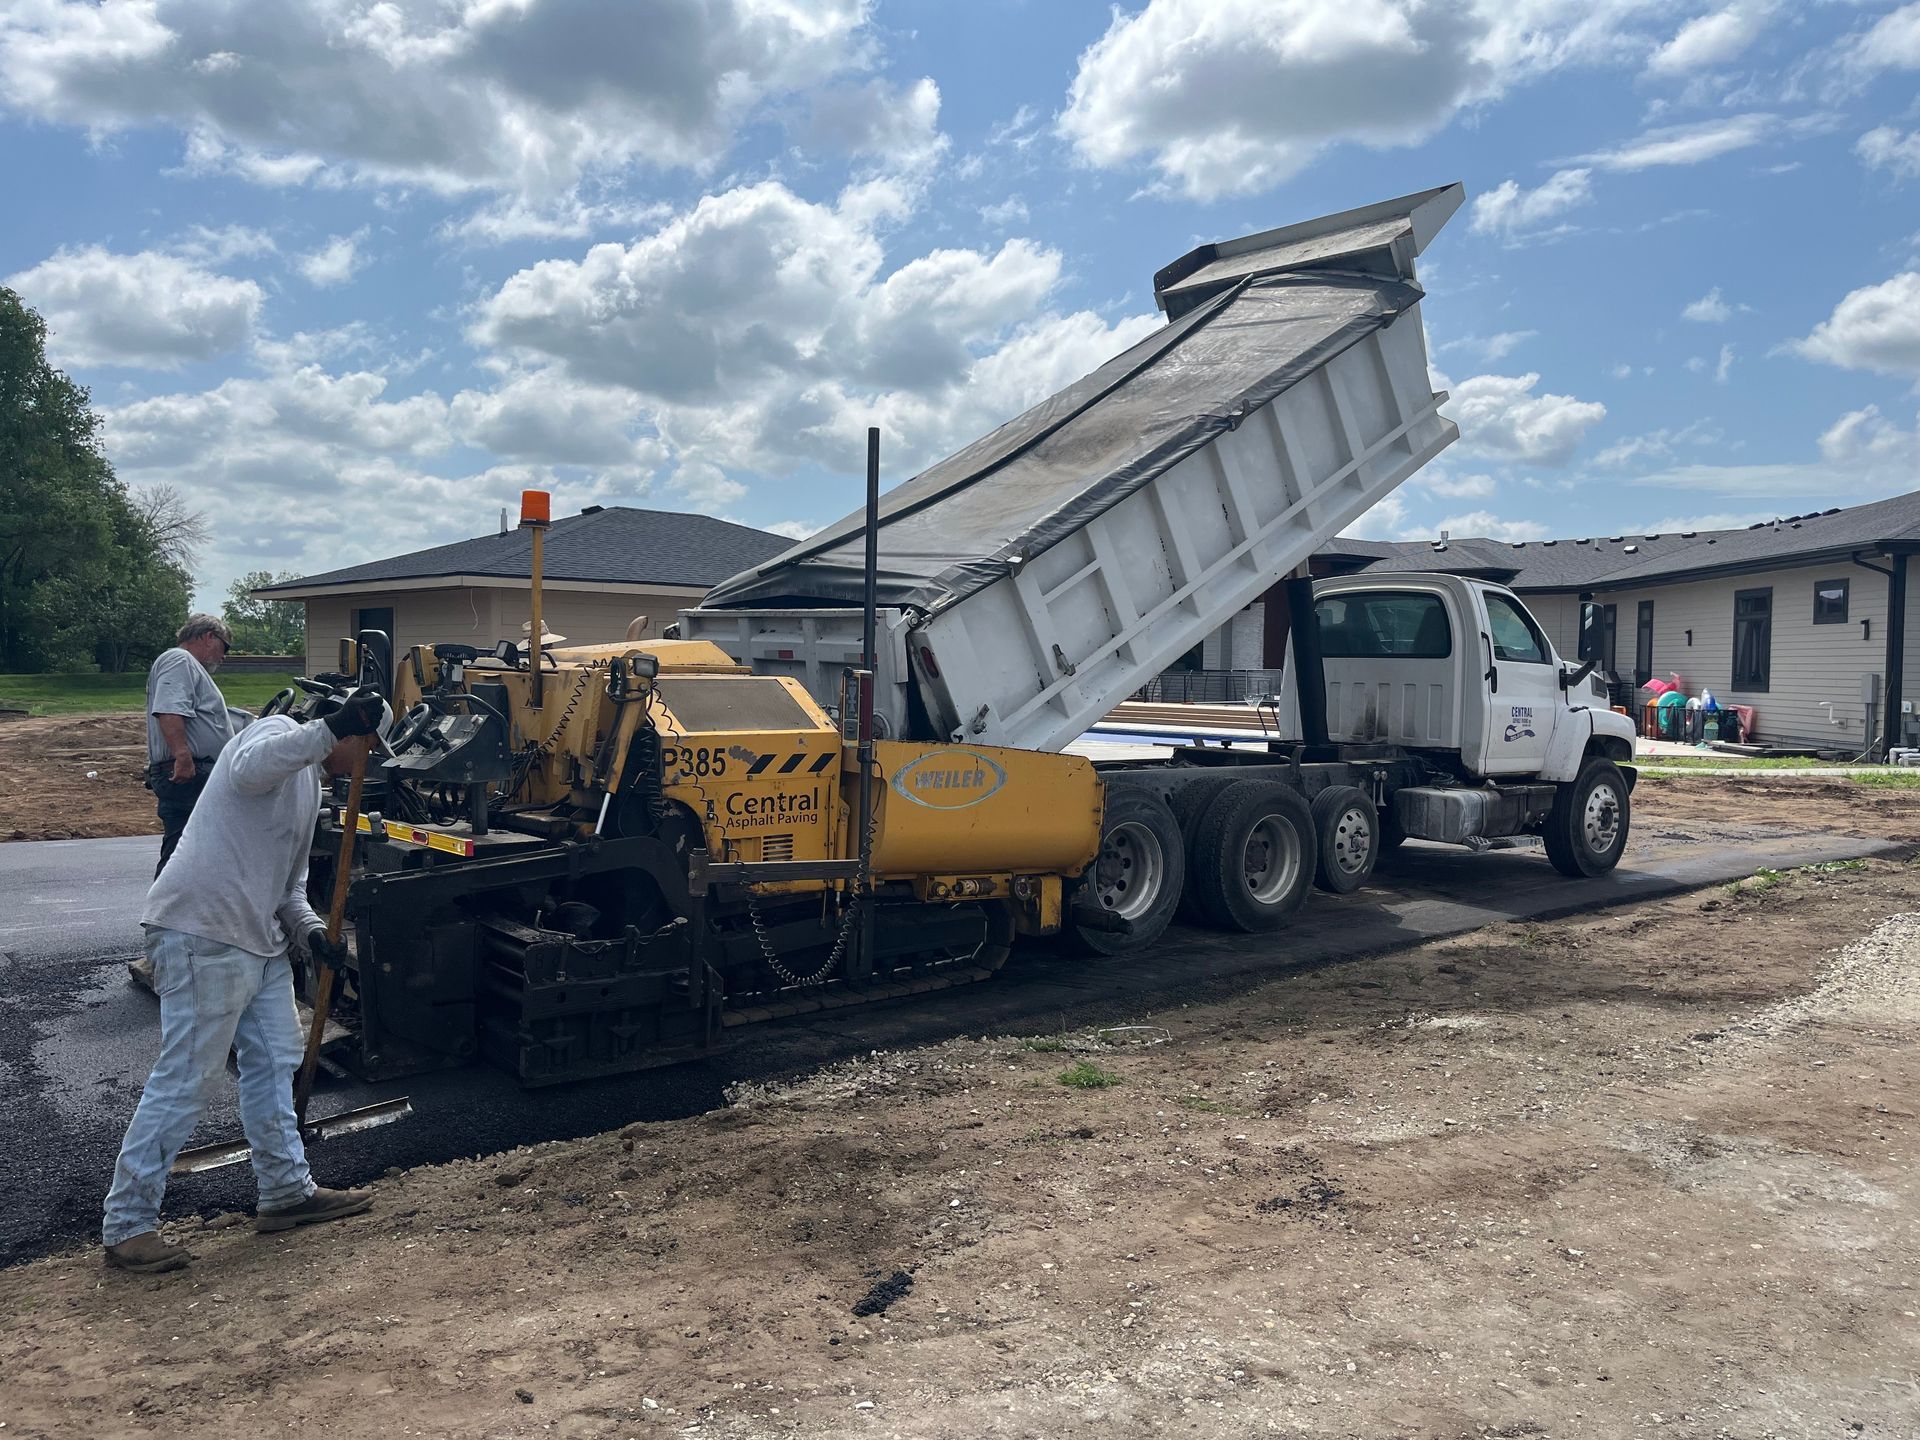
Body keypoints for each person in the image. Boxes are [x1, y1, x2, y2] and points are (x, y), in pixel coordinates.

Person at [101, 688, 388, 1274]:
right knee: (186, 1078)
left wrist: (311, 934)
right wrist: (330, 726)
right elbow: (250, 768)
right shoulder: (272, 737)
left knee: (275, 1061)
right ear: (348, 735)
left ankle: (286, 1192)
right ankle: (128, 1225)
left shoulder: (310, 786)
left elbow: (287, 888)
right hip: (203, 931)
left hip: (258, 940)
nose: (368, 762)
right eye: (368, 747)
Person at [146, 615, 238, 879]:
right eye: (225, 647)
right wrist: (182, 756)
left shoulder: (186, 666)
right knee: (188, 854)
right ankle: (168, 913)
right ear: (209, 636)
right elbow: (169, 708)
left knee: (187, 851)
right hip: (191, 772)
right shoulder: (179, 660)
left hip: (194, 771)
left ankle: (176, 913)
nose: (224, 656)